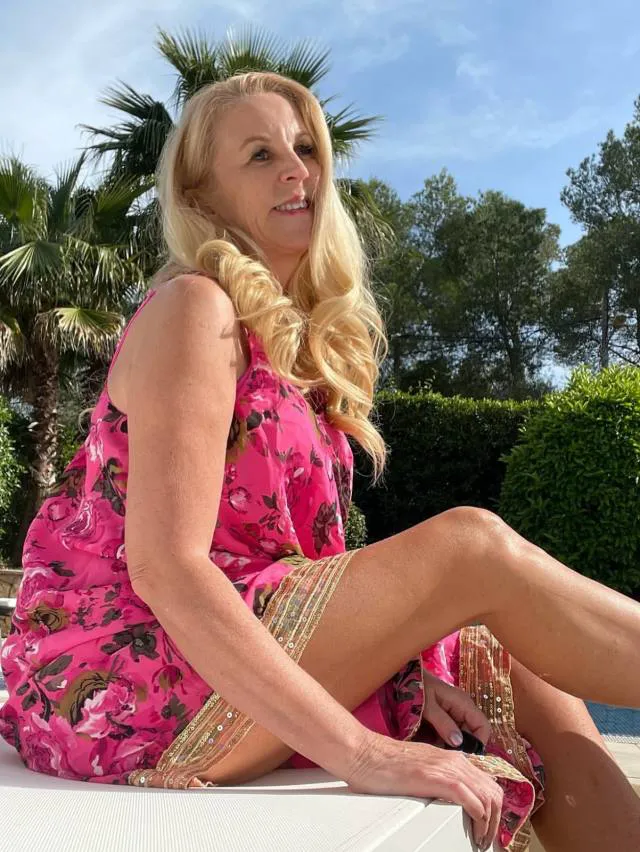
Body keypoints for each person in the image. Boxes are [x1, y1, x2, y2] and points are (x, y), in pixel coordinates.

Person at [1, 71, 640, 852]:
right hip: (120, 674)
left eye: (305, 149)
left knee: (506, 664)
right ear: (203, 193)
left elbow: (293, 575)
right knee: (472, 548)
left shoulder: (288, 349)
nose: (296, 171)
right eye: (260, 155)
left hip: (223, 647)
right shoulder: (195, 306)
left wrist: (388, 665)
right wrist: (363, 752)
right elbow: (165, 568)